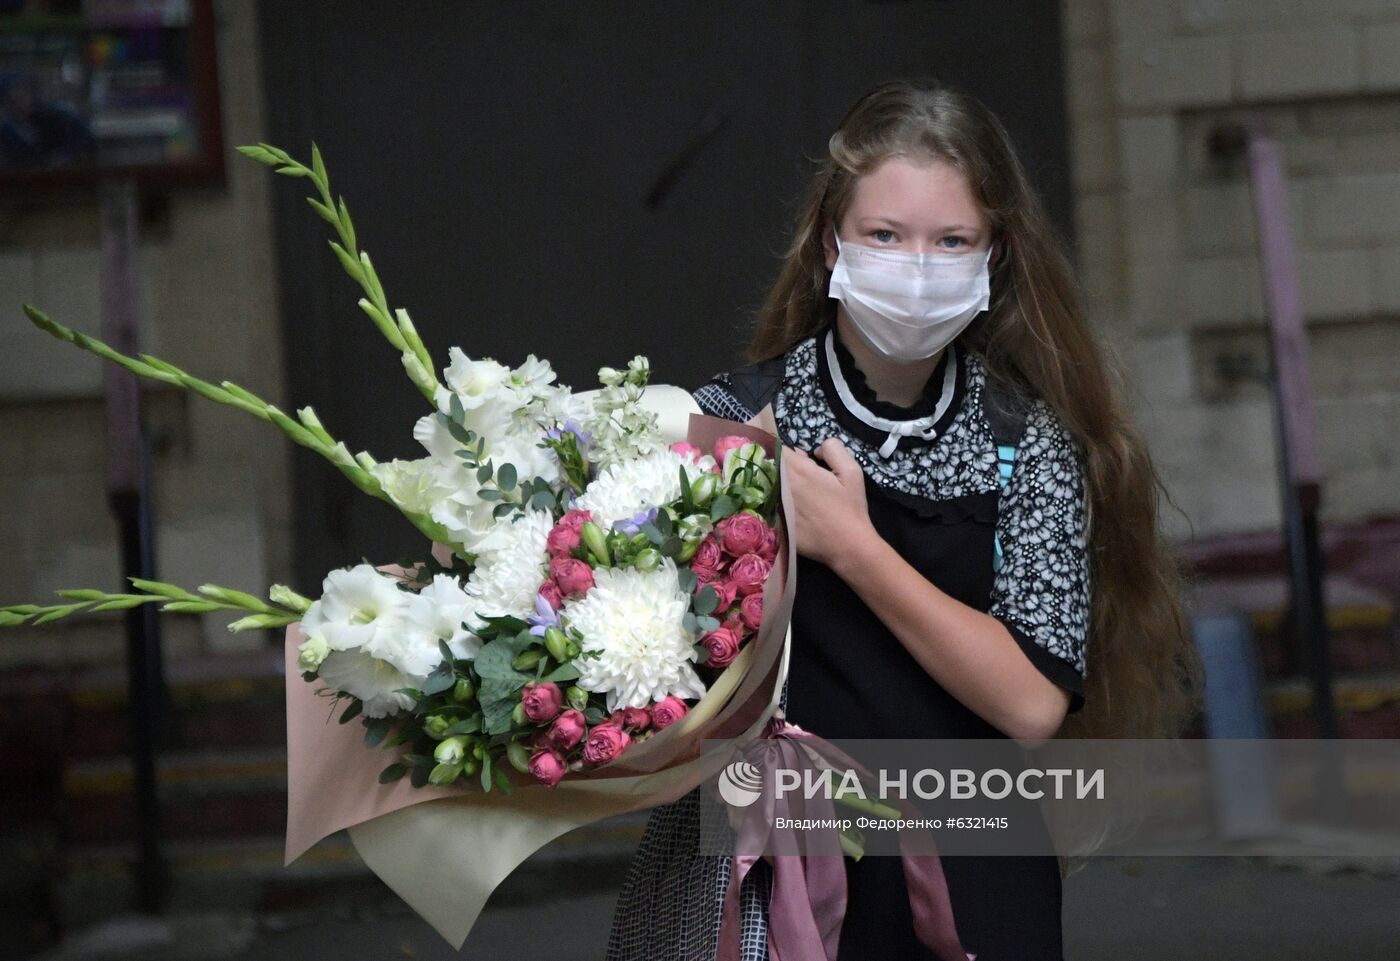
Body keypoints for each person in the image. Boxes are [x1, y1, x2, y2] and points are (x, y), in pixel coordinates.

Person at [606, 77, 1204, 961]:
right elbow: (614, 625)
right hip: (775, 869)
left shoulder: (1025, 443)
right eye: (885, 235)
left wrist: (854, 547)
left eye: (950, 240)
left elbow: (1032, 700)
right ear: (828, 241)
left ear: (993, 255)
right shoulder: (734, 419)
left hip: (974, 873)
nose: (916, 268)